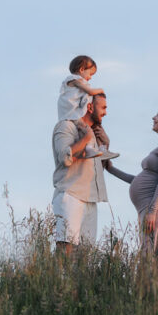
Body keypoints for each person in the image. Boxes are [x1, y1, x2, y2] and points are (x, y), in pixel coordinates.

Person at [106, 104, 158, 252]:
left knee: (151, 257)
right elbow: (139, 180)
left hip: (156, 208)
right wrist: (111, 169)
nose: (153, 118)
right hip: (148, 207)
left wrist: (153, 211)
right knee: (147, 255)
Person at [51, 93, 115, 254]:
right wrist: (86, 138)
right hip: (71, 196)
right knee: (65, 252)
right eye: (103, 107)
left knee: (85, 257)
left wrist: (105, 144)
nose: (106, 112)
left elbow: (97, 165)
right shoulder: (66, 127)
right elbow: (65, 157)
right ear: (89, 107)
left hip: (91, 199)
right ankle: (58, 280)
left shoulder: (94, 133)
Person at [57, 54, 105, 122]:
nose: (90, 77)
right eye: (90, 74)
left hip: (71, 114)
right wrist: (101, 90)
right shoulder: (75, 80)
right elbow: (90, 92)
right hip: (71, 114)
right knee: (86, 130)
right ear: (82, 69)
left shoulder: (76, 81)